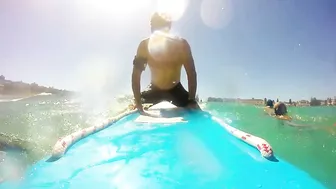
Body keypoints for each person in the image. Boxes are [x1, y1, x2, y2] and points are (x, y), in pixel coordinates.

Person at [131, 12, 199, 114]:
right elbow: (136, 75)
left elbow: (191, 73)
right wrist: (137, 101)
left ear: (168, 26)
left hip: (176, 90)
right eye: (153, 25)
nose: (155, 29)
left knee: (194, 109)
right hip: (153, 89)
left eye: (159, 24)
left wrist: (192, 100)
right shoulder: (144, 46)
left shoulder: (182, 45)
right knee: (131, 107)